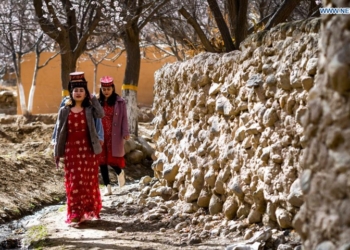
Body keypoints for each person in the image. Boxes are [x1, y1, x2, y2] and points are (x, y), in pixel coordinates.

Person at [52, 72, 104, 226]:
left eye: (82, 90)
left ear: (85, 92)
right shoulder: (64, 111)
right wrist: (57, 150)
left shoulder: (89, 109)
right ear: (71, 93)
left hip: (87, 150)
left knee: (87, 181)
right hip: (71, 150)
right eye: (76, 91)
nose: (79, 93)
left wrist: (93, 98)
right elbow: (59, 130)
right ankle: (75, 212)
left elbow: (101, 114)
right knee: (74, 181)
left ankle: (87, 209)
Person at [98, 76, 130, 196]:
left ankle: (120, 172)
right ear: (101, 89)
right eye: (104, 89)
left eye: (108, 89)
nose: (106, 91)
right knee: (101, 161)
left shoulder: (120, 102)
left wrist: (125, 132)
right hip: (100, 135)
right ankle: (107, 186)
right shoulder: (96, 102)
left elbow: (124, 118)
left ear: (112, 88)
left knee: (112, 159)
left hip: (114, 134)